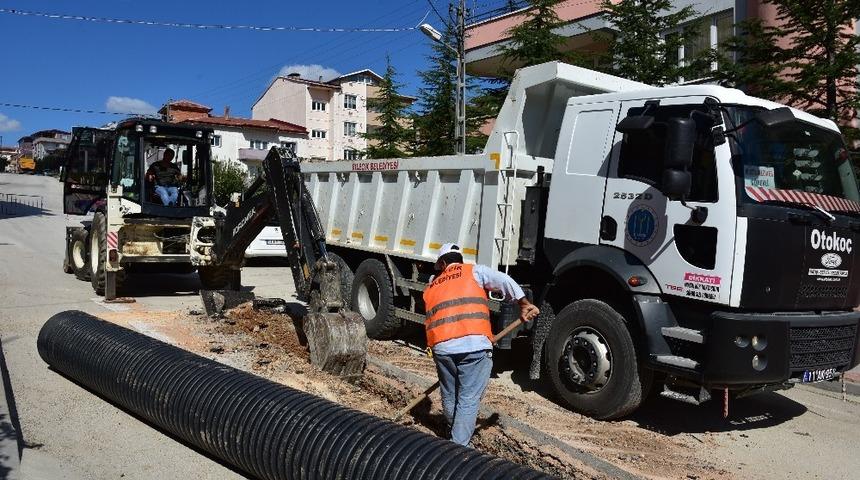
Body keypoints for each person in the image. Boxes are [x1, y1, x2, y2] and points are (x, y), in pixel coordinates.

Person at [423, 243, 539, 446]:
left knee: (450, 395)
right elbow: (504, 280)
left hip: (442, 349)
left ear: (442, 263)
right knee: (467, 399)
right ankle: (458, 448)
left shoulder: (432, 286)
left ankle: (454, 432)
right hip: (474, 347)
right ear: (460, 260)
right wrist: (523, 303)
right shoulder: (474, 271)